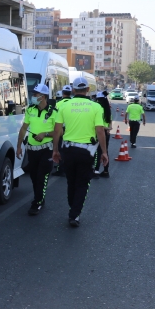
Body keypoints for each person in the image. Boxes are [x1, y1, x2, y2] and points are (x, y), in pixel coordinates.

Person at [52, 77, 108, 227]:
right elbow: (100, 131)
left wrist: (55, 150)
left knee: (71, 182)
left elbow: (57, 130)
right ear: (88, 89)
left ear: (74, 90)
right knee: (82, 184)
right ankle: (75, 214)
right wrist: (104, 152)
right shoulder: (96, 107)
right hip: (87, 152)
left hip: (68, 151)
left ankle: (73, 209)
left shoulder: (63, 106)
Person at [16, 84, 57, 215]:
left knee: (42, 175)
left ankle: (37, 203)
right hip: (32, 149)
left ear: (43, 96)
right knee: (34, 176)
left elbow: (58, 132)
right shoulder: (30, 110)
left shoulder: (54, 112)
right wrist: (18, 147)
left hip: (47, 149)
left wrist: (45, 134)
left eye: (36, 94)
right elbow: (23, 128)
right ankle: (40, 197)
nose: (33, 96)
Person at [51, 85, 73, 177]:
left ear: (63, 93)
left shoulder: (59, 104)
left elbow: (56, 118)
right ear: (71, 93)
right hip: (72, 128)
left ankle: (61, 169)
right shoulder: (73, 103)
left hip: (61, 129)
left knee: (61, 149)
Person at [94, 91, 113, 178]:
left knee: (98, 152)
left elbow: (98, 125)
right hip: (106, 133)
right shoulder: (107, 109)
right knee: (105, 151)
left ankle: (96, 170)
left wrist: (106, 128)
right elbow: (110, 120)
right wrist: (109, 128)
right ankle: (106, 171)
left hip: (99, 132)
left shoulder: (98, 109)